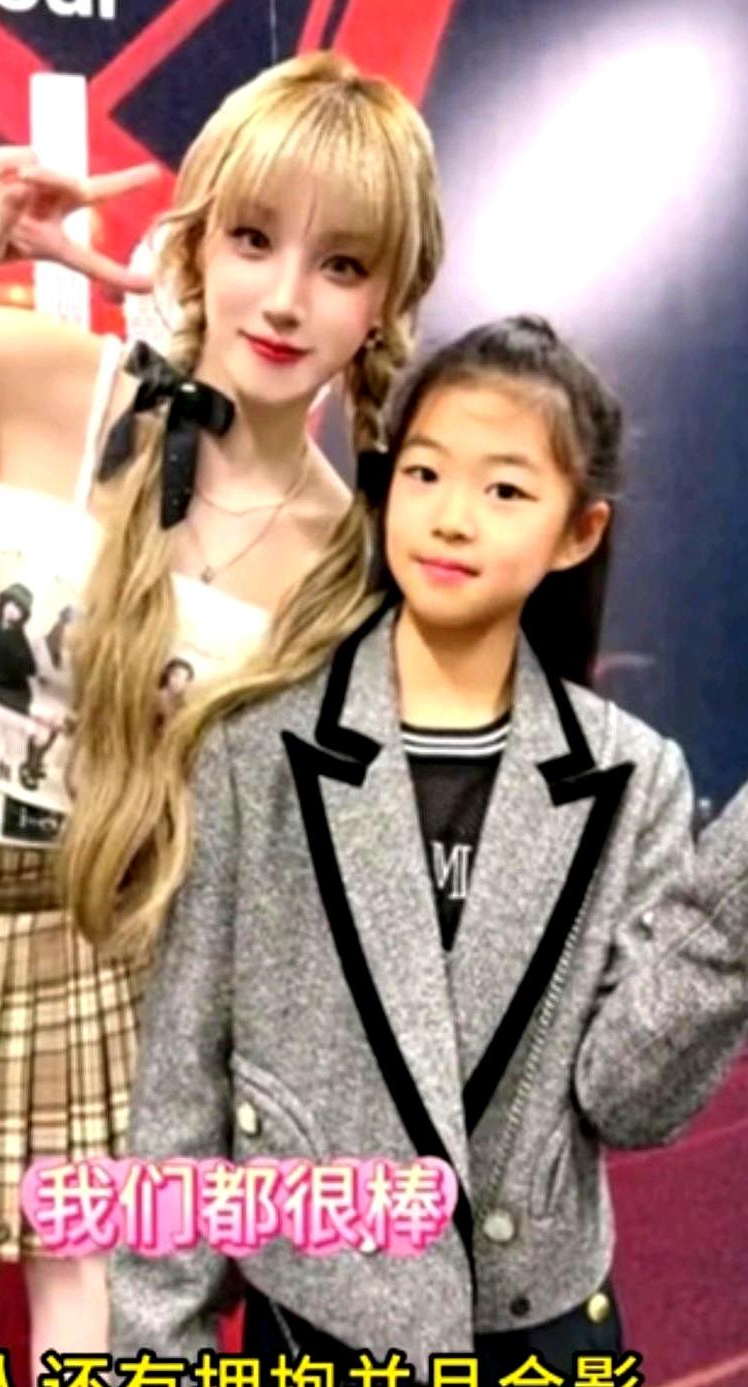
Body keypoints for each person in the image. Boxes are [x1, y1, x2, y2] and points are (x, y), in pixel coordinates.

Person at [0, 52, 444, 1385]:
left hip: (123, 993)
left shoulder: (353, 569)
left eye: (340, 263)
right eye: (253, 238)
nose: (284, 297)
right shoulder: (55, 381)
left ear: (388, 298)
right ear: (196, 240)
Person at [109, 316, 748, 1373]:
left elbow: (630, 1098)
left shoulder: (633, 776)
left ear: (578, 531)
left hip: (536, 1337)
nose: (452, 517)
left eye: (505, 489)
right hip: (314, 1331)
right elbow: (181, 1093)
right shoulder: (254, 754)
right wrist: (153, 1354)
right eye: (424, 473)